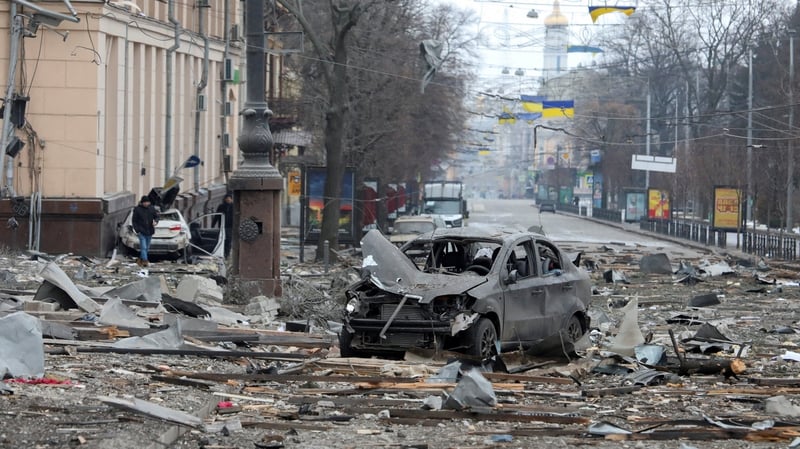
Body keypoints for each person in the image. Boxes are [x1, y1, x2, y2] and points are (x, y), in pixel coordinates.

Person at [131, 195, 159, 267]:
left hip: (149, 231)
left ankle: (140, 260)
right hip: (141, 231)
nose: (146, 204)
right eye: (145, 202)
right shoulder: (137, 209)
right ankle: (145, 261)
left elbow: (156, 216)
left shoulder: (151, 208)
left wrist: (156, 221)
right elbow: (134, 221)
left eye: (147, 202)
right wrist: (137, 230)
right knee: (143, 247)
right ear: (142, 202)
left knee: (147, 247)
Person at [212, 193, 234, 258]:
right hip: (222, 226)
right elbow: (217, 216)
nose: (228, 200)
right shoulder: (221, 206)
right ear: (225, 199)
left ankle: (227, 254)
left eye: (229, 199)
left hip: (230, 226)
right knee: (222, 240)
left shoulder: (234, 206)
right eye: (227, 199)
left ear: (231, 200)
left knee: (228, 240)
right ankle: (222, 253)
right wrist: (213, 224)